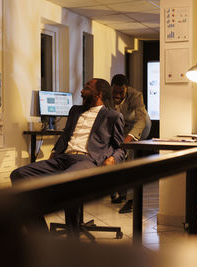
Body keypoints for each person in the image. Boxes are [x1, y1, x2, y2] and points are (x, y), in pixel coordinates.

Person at [10, 78, 126, 224]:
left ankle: (73, 236)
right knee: (18, 175)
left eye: (87, 87)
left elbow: (120, 148)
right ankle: (39, 234)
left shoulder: (112, 116)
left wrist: (113, 158)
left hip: (88, 160)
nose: (82, 91)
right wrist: (54, 150)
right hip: (63, 158)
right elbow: (66, 135)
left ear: (98, 94)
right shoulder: (75, 111)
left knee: (68, 181)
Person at [109, 74, 151, 213]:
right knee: (118, 154)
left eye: (122, 92)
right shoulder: (107, 96)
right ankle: (121, 193)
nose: (119, 95)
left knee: (131, 156)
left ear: (126, 90)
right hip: (123, 125)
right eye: (116, 92)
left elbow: (140, 121)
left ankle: (131, 200)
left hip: (140, 125)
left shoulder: (136, 95)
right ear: (111, 88)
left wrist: (128, 140)